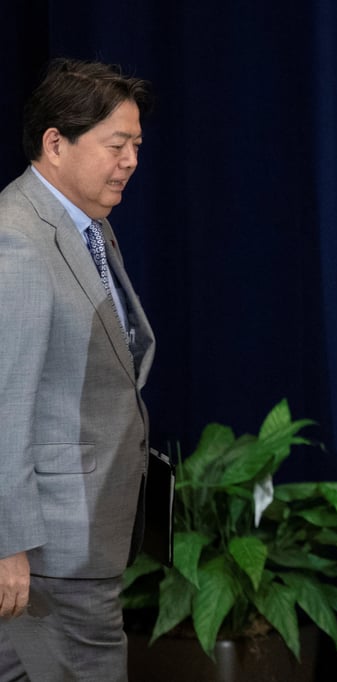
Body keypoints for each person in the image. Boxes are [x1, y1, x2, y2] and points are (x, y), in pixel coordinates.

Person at [0, 58, 156, 682]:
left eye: (136, 146)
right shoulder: (18, 240)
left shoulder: (90, 226)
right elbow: (6, 405)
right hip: (51, 550)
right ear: (55, 143)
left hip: (80, 537)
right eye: (116, 145)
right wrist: (7, 544)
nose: (130, 161)